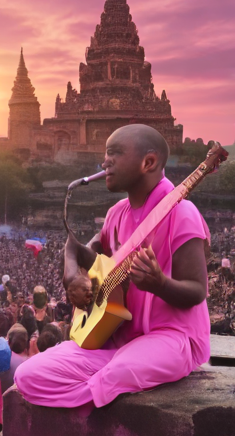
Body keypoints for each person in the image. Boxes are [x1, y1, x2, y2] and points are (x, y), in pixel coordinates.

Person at [15, 124, 211, 410]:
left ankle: (99, 390)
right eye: (106, 154)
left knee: (118, 373)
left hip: (171, 339)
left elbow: (197, 291)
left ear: (149, 162)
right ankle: (103, 384)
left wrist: (160, 285)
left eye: (115, 153)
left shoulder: (182, 213)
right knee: (28, 375)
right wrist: (72, 275)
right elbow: (77, 247)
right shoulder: (115, 214)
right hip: (116, 340)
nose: (105, 161)